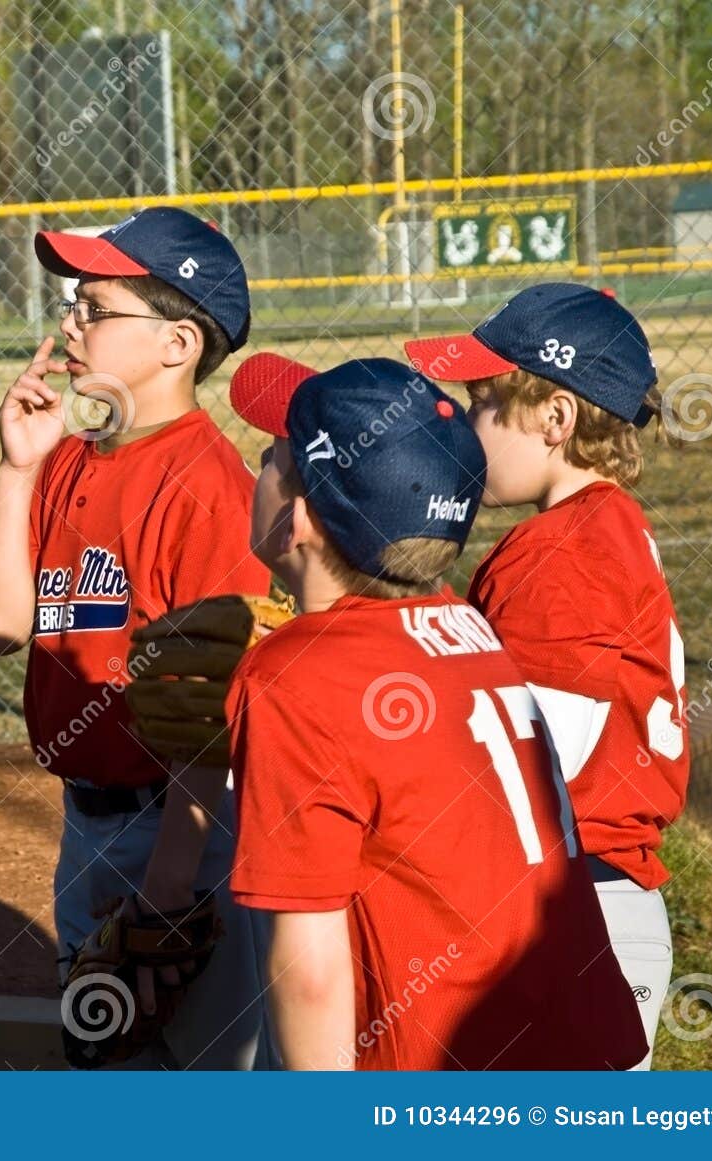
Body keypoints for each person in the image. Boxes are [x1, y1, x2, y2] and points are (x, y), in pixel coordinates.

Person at [219, 352, 647, 1069]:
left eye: (270, 455)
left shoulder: (294, 679)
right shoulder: (467, 625)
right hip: (582, 1042)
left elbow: (312, 970)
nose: (256, 467)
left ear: (296, 518)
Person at [0, 207, 272, 1068]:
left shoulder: (207, 487)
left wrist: (167, 895)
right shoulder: (68, 455)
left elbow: (208, 717)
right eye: (73, 302)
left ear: (176, 343)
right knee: (109, 1069)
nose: (70, 322)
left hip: (182, 824)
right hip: (86, 818)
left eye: (95, 307)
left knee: (199, 1073)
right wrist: (18, 468)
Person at [406, 283, 688, 1068]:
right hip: (593, 900)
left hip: (572, 912)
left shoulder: (562, 558)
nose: (464, 426)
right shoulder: (601, 530)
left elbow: (518, 771)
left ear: (557, 420)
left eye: (483, 403)